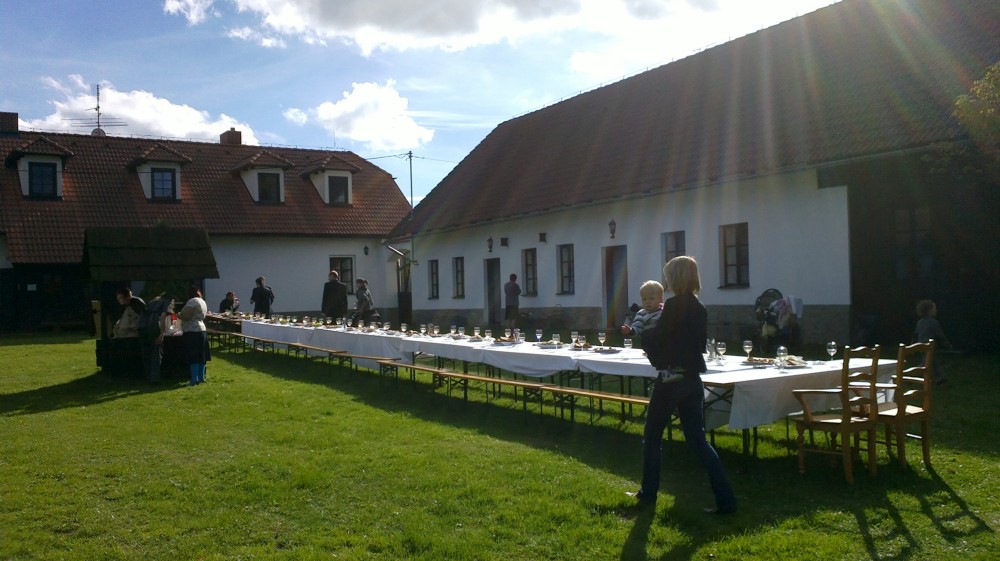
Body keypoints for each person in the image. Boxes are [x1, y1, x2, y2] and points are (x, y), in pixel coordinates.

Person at [633, 256, 737, 514]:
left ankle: (648, 494)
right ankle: (726, 500)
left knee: (652, 436)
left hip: (671, 380)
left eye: (668, 275)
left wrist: (643, 335)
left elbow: (660, 338)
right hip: (692, 379)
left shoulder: (673, 305)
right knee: (698, 441)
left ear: (676, 278)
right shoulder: (699, 307)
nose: (666, 280)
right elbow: (698, 344)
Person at [179, 286, 210, 386]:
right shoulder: (202, 301)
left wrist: (179, 315)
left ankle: (194, 379)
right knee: (201, 355)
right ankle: (201, 377)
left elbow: (187, 316)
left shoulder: (192, 301)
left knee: (193, 355)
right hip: (202, 329)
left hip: (192, 330)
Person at [915, 299, 950, 386]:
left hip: (920, 345)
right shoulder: (933, 322)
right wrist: (946, 344)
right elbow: (939, 335)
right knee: (932, 362)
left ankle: (914, 374)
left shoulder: (920, 322)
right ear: (929, 310)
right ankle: (939, 379)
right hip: (929, 345)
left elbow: (916, 333)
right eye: (934, 308)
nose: (936, 310)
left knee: (927, 362)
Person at [138, 295, 173, 383]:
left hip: (142, 326)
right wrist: (161, 334)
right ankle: (155, 379)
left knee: (146, 353)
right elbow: (163, 316)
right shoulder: (166, 302)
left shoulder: (152, 302)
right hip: (153, 326)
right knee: (156, 353)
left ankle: (147, 377)